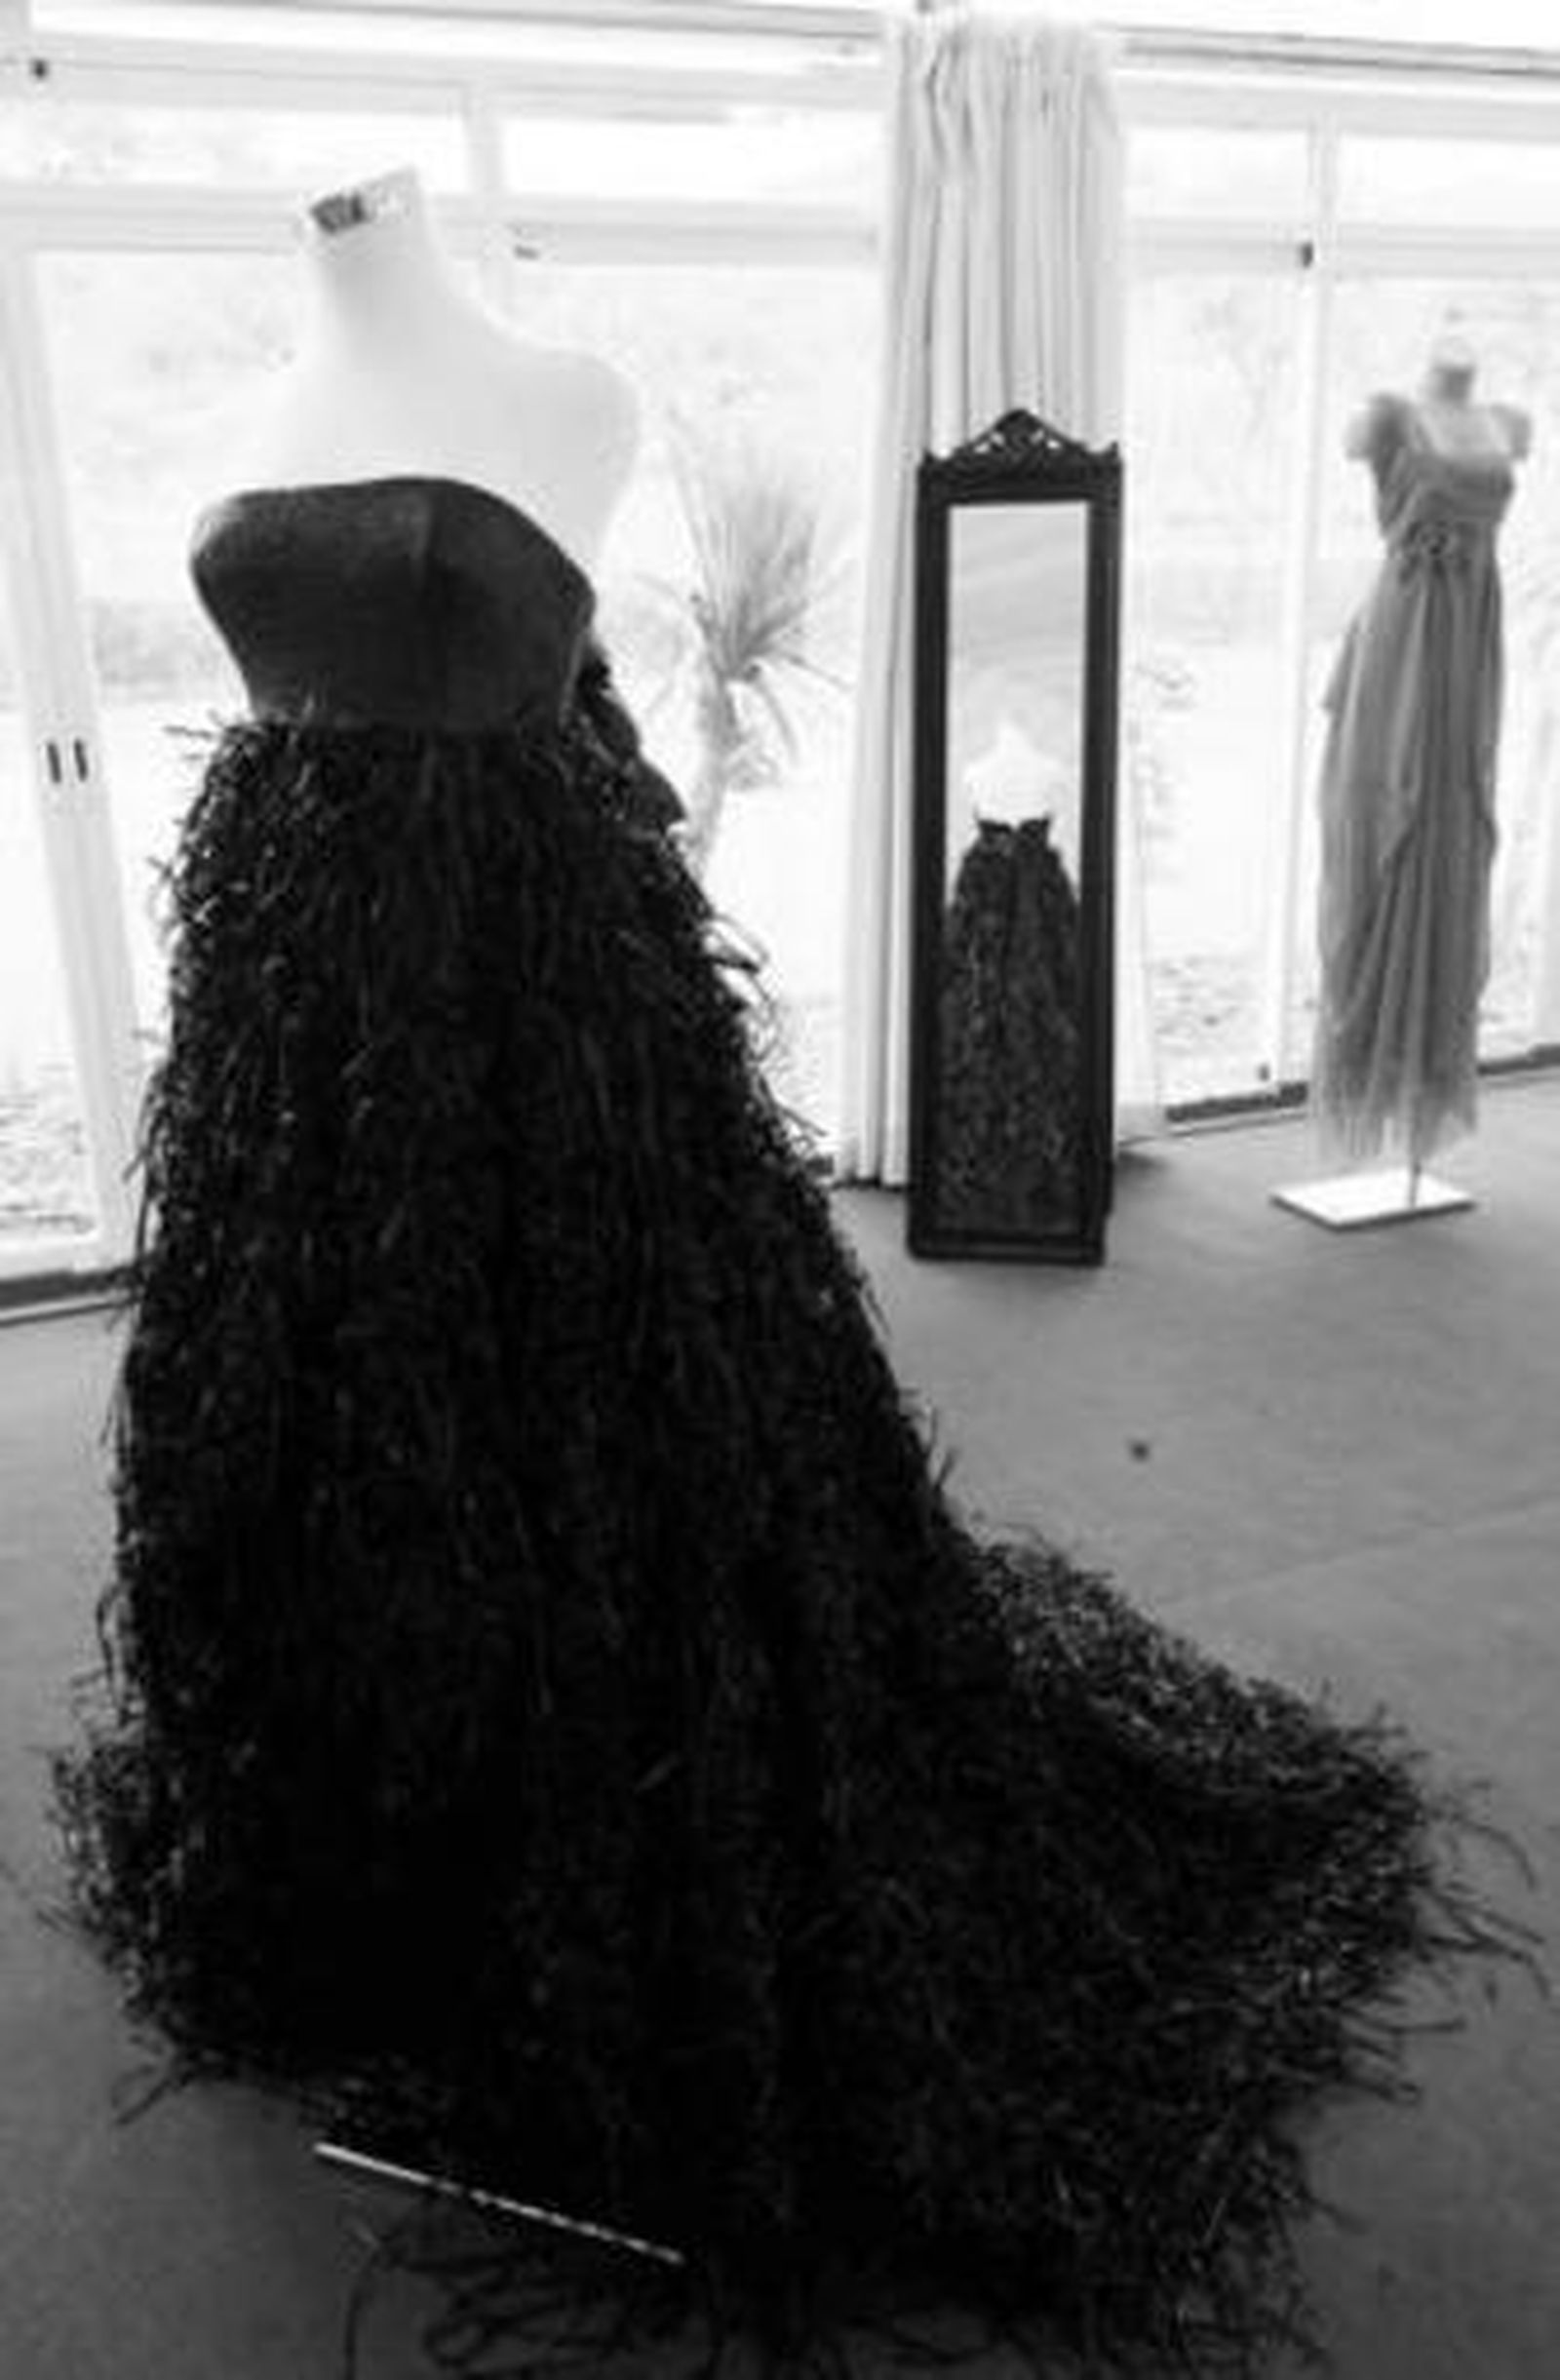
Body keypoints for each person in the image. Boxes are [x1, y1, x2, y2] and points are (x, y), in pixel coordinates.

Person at [54, 177, 1531, 2380]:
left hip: (535, 1025)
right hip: (306, 1042)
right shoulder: (278, 387)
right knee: (353, 1457)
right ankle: (387, 1844)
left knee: (574, 1457)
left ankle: (556, 1855)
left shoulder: (565, 392)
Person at [1311, 331, 1530, 1171]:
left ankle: (1427, 1059)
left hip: (1470, 647)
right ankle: (1369, 1057)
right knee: (1388, 825)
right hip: (1402, 643)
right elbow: (1358, 447)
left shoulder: (1509, 421)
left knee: (1453, 829)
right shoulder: (1389, 417)